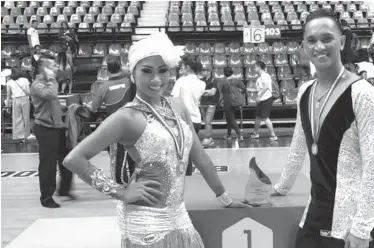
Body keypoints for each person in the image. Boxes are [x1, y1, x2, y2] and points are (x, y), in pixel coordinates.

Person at [63, 33, 250, 248]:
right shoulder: (126, 117)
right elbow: (74, 159)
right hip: (145, 221)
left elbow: (199, 156)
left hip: (179, 215)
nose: (156, 80)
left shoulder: (177, 106)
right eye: (147, 71)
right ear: (132, 74)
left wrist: (225, 198)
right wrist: (120, 192)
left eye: (163, 71)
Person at [272, 9, 374, 248]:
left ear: (342, 41)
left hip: (350, 221)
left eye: (327, 38)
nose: (319, 47)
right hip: (315, 213)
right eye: (311, 40)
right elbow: (298, 146)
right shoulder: (305, 92)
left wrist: (362, 228)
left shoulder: (363, 94)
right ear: (303, 45)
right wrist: (281, 187)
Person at [31, 54, 74, 208]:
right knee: (48, 165)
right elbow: (51, 95)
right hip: (45, 129)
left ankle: (64, 189)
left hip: (57, 127)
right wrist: (51, 78)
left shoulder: (49, 83)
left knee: (67, 160)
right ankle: (46, 197)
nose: (56, 67)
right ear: (44, 69)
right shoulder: (38, 84)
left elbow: (52, 101)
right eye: (53, 66)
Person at [88, 56, 136, 184]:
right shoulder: (129, 81)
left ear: (106, 70)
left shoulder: (103, 87)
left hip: (114, 126)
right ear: (120, 66)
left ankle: (121, 183)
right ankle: (135, 180)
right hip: (133, 123)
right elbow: (131, 71)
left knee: (117, 156)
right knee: (134, 154)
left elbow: (93, 107)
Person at [171, 56, 206, 175]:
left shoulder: (181, 81)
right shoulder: (202, 83)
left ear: (188, 67)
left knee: (181, 150)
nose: (181, 68)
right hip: (196, 118)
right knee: (191, 150)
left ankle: (182, 176)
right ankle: (189, 176)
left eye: (183, 66)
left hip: (182, 118)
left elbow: (174, 99)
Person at [249, 61, 278, 141]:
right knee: (258, 117)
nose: (254, 68)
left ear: (259, 67)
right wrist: (247, 89)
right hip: (261, 99)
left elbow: (265, 87)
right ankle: (255, 133)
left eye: (255, 67)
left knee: (265, 118)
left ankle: (273, 135)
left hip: (266, 99)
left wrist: (259, 97)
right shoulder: (259, 78)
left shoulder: (265, 76)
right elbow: (258, 89)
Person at [218, 67, 245, 140]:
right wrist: (237, 94)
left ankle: (239, 135)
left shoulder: (222, 81)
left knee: (231, 118)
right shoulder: (237, 80)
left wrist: (219, 102)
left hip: (227, 101)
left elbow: (220, 93)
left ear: (224, 73)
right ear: (232, 72)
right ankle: (228, 135)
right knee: (228, 118)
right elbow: (244, 88)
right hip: (235, 101)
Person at [6, 68, 31, 143]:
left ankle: (19, 137)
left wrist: (8, 105)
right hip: (25, 99)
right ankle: (26, 136)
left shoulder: (9, 82)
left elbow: (8, 95)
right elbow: (28, 91)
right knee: (26, 118)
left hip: (15, 100)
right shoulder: (25, 80)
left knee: (17, 119)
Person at [198, 66, 218, 147]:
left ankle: (208, 138)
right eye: (202, 70)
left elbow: (213, 92)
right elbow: (198, 92)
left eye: (204, 70)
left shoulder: (214, 80)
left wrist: (204, 92)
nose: (202, 72)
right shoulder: (201, 80)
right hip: (202, 103)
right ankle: (210, 139)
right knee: (205, 122)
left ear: (209, 71)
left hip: (211, 104)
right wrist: (207, 91)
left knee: (208, 122)